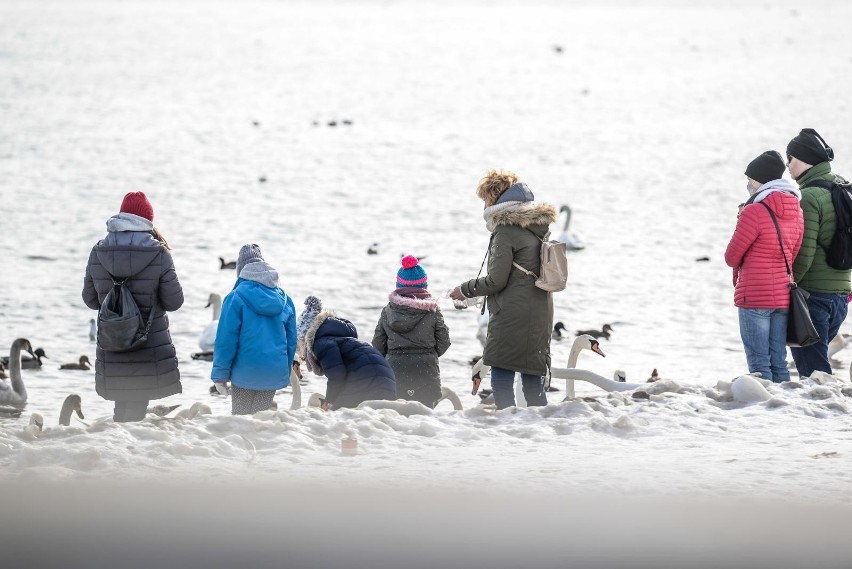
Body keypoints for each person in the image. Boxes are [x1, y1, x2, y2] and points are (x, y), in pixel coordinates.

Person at [449, 170, 558, 409]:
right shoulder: (537, 227)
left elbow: (496, 281)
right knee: (532, 378)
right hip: (541, 309)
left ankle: (507, 428)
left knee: (501, 374)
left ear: (493, 199)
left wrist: (464, 289)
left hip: (512, 313)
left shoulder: (506, 231)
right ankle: (542, 429)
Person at [82, 191, 184, 422]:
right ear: (147, 219)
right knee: (137, 411)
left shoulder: (98, 251)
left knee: (122, 410)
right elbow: (174, 302)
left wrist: (115, 302)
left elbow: (90, 300)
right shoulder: (159, 253)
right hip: (147, 344)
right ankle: (130, 455)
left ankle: (118, 454)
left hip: (113, 343)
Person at [724, 151, 804, 382]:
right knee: (778, 361)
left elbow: (732, 257)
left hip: (754, 296)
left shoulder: (754, 210)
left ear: (760, 179)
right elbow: (793, 253)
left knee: (759, 363)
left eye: (750, 179)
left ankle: (763, 411)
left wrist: (741, 219)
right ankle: (783, 410)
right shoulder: (796, 210)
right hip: (782, 296)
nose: (748, 183)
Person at [786, 128, 852, 377]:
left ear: (803, 160)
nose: (787, 166)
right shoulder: (844, 188)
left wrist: (790, 287)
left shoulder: (808, 197)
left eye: (789, 159)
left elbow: (804, 252)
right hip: (841, 297)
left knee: (815, 376)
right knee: (817, 368)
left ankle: (824, 416)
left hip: (813, 298)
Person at [211, 244, 297, 414]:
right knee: (260, 421)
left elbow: (225, 340)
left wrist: (220, 375)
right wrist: (284, 371)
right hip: (272, 371)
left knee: (241, 422)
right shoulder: (286, 300)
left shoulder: (235, 297)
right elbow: (291, 341)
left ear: (240, 270)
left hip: (244, 372)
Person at [372, 255, 451, 407]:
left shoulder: (387, 311)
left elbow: (377, 345)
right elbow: (444, 342)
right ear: (424, 286)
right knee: (426, 419)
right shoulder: (433, 311)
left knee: (397, 420)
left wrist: (391, 355)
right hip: (425, 370)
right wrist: (429, 353)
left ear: (399, 286)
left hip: (395, 369)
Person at [297, 296, 396, 410]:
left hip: (367, 380)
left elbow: (337, 376)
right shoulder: (345, 341)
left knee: (338, 413)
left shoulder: (321, 344)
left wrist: (329, 401)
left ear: (306, 340)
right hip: (387, 381)